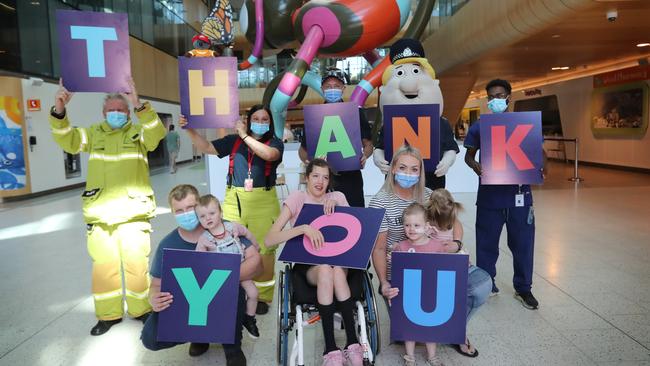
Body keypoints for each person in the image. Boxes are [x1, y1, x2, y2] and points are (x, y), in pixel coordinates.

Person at [49, 78, 166, 335]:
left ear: (127, 113)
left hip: (134, 213)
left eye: (120, 110)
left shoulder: (138, 134)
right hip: (101, 214)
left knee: (137, 267)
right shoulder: (92, 134)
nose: (115, 114)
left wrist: (138, 104)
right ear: (103, 114)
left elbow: (157, 134)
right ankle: (108, 315)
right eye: (111, 110)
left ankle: (141, 309)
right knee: (104, 269)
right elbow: (66, 139)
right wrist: (59, 109)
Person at [141, 185, 262, 366]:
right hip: (191, 300)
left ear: (200, 205)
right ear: (173, 213)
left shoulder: (226, 229)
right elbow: (156, 284)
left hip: (223, 295)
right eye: (179, 210)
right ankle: (198, 336)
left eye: (190, 208)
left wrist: (222, 278)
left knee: (232, 290)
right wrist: (153, 298)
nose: (186, 214)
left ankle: (232, 346)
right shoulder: (168, 243)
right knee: (150, 337)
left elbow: (257, 265)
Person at [181, 104, 283, 314]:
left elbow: (270, 155)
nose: (261, 123)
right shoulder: (233, 141)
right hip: (233, 199)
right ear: (248, 119)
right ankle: (233, 288)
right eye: (257, 118)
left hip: (263, 201)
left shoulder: (274, 142)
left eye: (265, 120)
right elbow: (207, 147)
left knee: (264, 249)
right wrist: (190, 129)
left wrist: (244, 136)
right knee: (226, 245)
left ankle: (262, 295)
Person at [265, 159, 365, 366]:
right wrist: (303, 228)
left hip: (340, 262)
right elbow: (269, 239)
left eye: (325, 177)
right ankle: (331, 349)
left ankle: (352, 344)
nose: (320, 181)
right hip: (309, 266)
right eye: (315, 176)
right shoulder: (298, 198)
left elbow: (355, 232)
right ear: (307, 177)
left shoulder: (337, 196)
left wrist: (338, 206)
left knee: (335, 269)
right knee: (326, 270)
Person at [464, 78, 540, 310]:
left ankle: (524, 288)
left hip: (519, 196)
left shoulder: (525, 125)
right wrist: (475, 165)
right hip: (490, 196)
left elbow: (538, 153)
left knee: (523, 244)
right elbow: (468, 156)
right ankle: (488, 284)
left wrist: (540, 168)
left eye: (499, 96)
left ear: (509, 96)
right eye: (491, 97)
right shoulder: (480, 126)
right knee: (486, 244)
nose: (495, 100)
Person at [372, 38, 459, 190]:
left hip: (431, 183)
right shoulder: (389, 125)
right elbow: (380, 146)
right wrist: (377, 157)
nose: (408, 83)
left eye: (416, 71)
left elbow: (450, 148)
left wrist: (447, 160)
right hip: (397, 185)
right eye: (400, 73)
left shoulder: (440, 122)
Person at [298, 67, 373, 207]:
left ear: (343, 88)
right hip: (324, 179)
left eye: (336, 86)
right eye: (328, 86)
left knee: (354, 217)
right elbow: (302, 151)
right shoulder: (314, 115)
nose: (332, 89)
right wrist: (310, 161)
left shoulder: (355, 112)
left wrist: (365, 156)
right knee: (325, 220)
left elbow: (368, 144)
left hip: (351, 178)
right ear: (322, 88)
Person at [195, 194, 260, 339]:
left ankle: (249, 318)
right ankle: (223, 328)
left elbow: (248, 234)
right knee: (227, 305)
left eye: (212, 213)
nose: (208, 218)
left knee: (254, 294)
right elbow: (198, 261)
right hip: (221, 277)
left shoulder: (232, 227)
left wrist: (256, 245)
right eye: (202, 216)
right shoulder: (204, 239)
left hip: (241, 270)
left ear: (221, 212)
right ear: (199, 220)